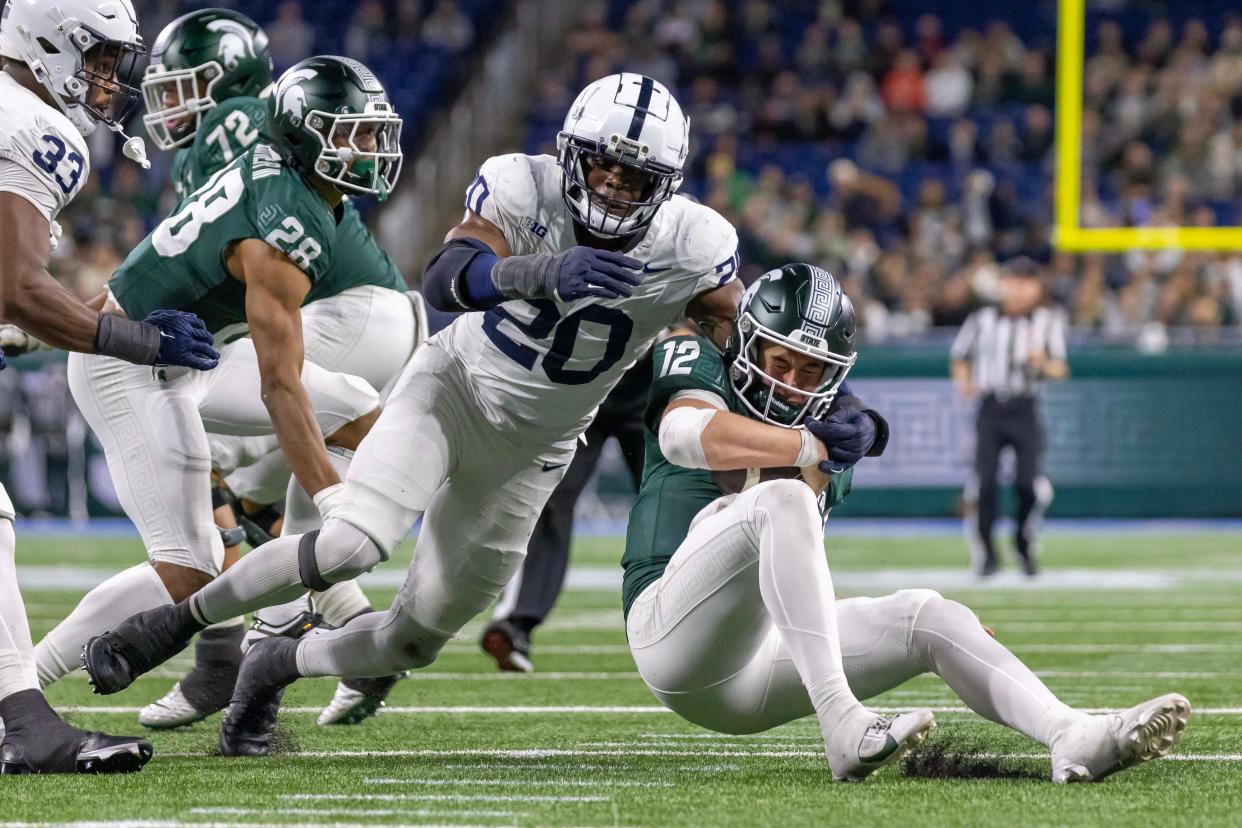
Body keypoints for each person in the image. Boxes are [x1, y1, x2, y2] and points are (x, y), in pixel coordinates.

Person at [82, 73, 744, 759]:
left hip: (533, 455)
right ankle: (171, 624)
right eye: (602, 163)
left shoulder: (692, 244)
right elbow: (447, 274)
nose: (611, 186)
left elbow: (744, 349)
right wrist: (541, 272)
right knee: (350, 544)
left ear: (665, 185)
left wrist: (813, 413)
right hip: (450, 391)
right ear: (570, 152)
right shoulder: (523, 184)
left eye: (634, 177)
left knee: (411, 641)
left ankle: (274, 663)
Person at [626, 264, 1189, 783]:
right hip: (667, 630)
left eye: (810, 369)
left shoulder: (833, 441)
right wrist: (808, 444)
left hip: (755, 662)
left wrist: (822, 453)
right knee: (783, 499)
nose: (791, 382)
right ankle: (844, 723)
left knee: (931, 616)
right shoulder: (699, 357)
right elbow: (684, 436)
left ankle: (1073, 733)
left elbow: (783, 568)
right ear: (746, 345)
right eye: (779, 362)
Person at [32, 57, 402, 716]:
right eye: (352, 132)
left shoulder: (282, 165)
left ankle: (300, 597)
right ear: (305, 136)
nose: (368, 148)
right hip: (128, 366)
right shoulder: (283, 225)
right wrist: (339, 505)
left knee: (354, 408)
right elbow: (279, 388)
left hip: (188, 355)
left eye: (371, 133)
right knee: (190, 567)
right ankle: (23, 684)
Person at [132, 8, 426, 731]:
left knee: (187, 431)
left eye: (183, 87)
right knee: (264, 494)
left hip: (346, 314)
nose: (170, 107)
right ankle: (353, 638)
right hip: (375, 318)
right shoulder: (243, 138)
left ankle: (231, 651)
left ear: (229, 79)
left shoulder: (233, 121)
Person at [0, 0, 220, 773]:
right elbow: (19, 288)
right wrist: (138, 339)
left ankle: (22, 721)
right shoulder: (31, 125)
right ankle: (24, 725)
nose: (105, 81)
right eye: (96, 58)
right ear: (49, 40)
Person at [482, 353, 650, 673]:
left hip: (650, 386)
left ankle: (697, 619)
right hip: (585, 386)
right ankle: (514, 623)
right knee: (547, 496)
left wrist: (683, 330)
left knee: (673, 502)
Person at [950, 256, 1067, 576]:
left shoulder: (1047, 321)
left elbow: (1060, 368)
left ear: (1036, 288)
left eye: (1025, 283)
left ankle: (1022, 543)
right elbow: (960, 356)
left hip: (1025, 408)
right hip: (991, 408)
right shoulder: (982, 319)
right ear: (1002, 284)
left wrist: (1041, 362)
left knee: (1028, 484)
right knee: (985, 483)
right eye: (1012, 282)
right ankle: (987, 553)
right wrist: (964, 382)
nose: (1017, 290)